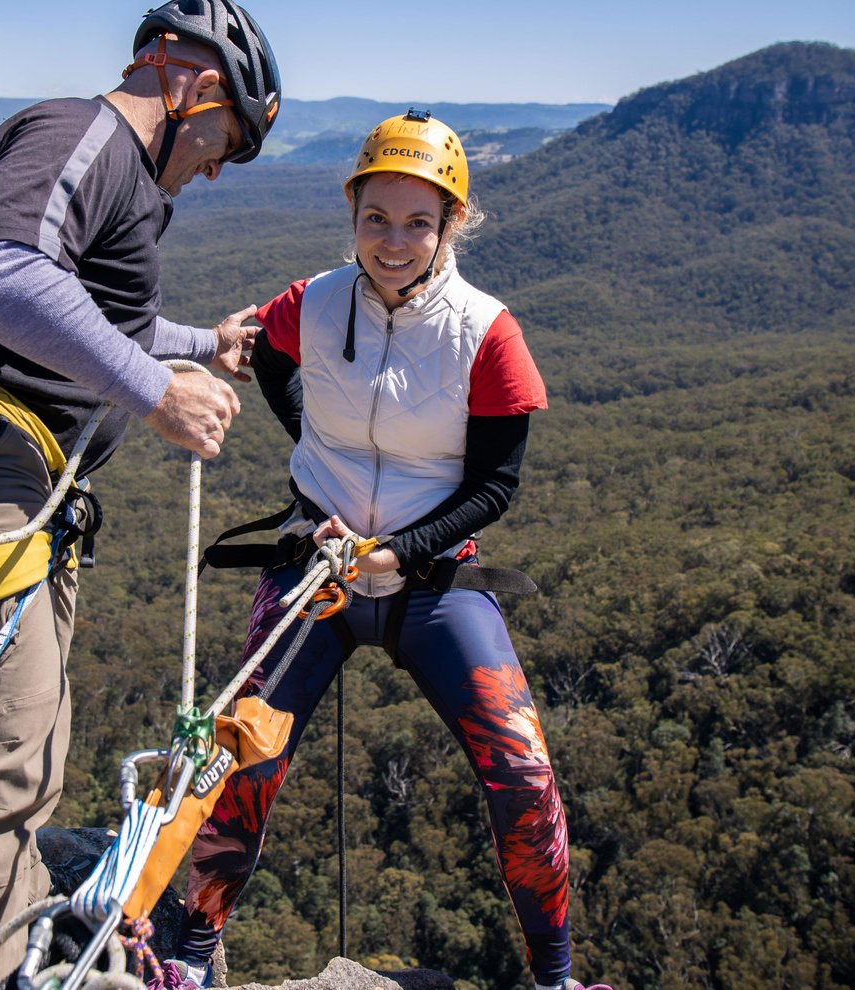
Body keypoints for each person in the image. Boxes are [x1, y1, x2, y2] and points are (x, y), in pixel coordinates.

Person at [0, 3, 281, 987]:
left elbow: (95, 314)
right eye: (227, 142)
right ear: (197, 88)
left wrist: (202, 347)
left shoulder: (116, 174)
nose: (216, 168)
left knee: (29, 743)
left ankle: (12, 948)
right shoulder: (83, 133)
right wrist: (156, 393)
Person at [157, 112, 608, 990]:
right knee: (238, 756)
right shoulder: (315, 302)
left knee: (521, 773)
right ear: (353, 213)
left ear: (451, 226)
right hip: (316, 564)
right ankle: (193, 953)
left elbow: (493, 488)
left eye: (418, 222)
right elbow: (270, 355)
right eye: (376, 218)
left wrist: (401, 552)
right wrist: (311, 459)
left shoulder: (488, 334)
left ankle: (554, 977)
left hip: (434, 577)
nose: (394, 241)